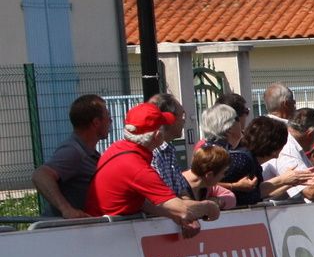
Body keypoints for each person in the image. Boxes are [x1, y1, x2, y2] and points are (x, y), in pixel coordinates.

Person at [83, 102, 220, 234]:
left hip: (100, 230)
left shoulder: (116, 148)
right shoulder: (136, 167)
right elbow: (183, 209)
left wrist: (175, 214)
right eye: (163, 126)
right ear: (158, 136)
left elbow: (146, 204)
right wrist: (209, 207)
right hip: (106, 235)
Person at [32, 93, 110, 219]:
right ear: (96, 122)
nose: (110, 121)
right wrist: (66, 209)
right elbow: (40, 175)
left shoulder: (88, 152)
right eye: (108, 117)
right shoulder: (73, 151)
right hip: (60, 229)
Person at [181, 141, 239, 209]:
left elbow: (231, 198)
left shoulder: (206, 186)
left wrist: (217, 201)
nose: (224, 176)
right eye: (224, 172)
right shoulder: (177, 186)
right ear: (209, 175)